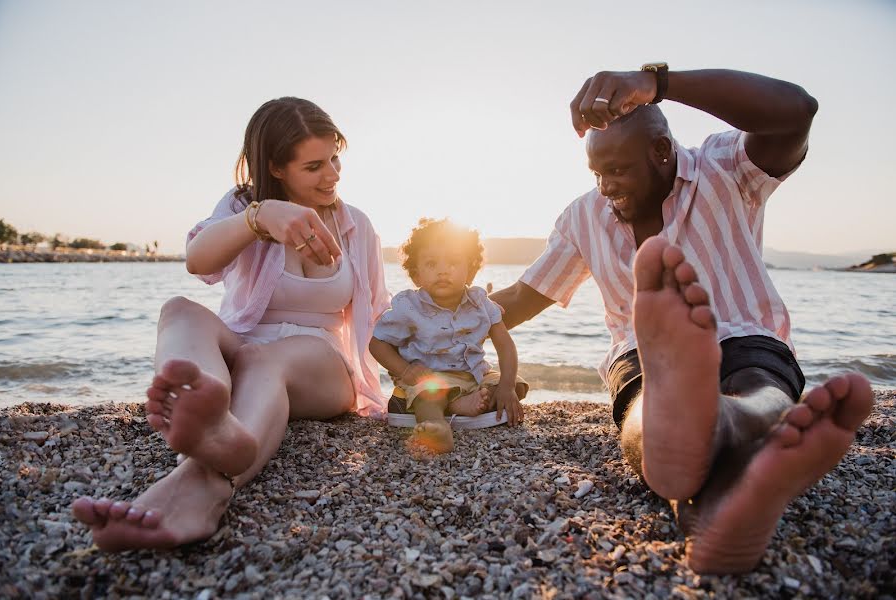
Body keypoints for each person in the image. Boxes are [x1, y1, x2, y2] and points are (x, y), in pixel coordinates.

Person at [491, 65, 874, 574]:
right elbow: (520, 298)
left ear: (662, 152)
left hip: (745, 332)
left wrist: (660, 83)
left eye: (618, 171)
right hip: (644, 356)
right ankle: (727, 461)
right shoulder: (583, 217)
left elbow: (796, 111)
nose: (605, 187)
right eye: (597, 174)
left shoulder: (726, 169)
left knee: (750, 381)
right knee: (653, 397)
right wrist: (430, 321)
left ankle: (718, 446)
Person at [71, 97, 390, 551]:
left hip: (320, 366)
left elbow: (381, 315)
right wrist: (258, 219)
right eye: (314, 165)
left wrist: (431, 380)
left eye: (335, 158)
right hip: (241, 349)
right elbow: (197, 261)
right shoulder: (244, 206)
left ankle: (217, 439)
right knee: (178, 309)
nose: (333, 174)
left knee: (264, 360)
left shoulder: (356, 225)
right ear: (277, 168)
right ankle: (206, 433)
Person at [370, 218, 528, 454]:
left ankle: (468, 403)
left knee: (516, 385)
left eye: (453, 262)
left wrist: (505, 385)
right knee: (429, 396)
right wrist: (404, 370)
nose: (443, 270)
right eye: (431, 264)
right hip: (431, 378)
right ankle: (438, 427)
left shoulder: (480, 303)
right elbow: (377, 343)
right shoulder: (409, 307)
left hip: (475, 375)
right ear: (416, 274)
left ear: (470, 270)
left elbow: (505, 344)